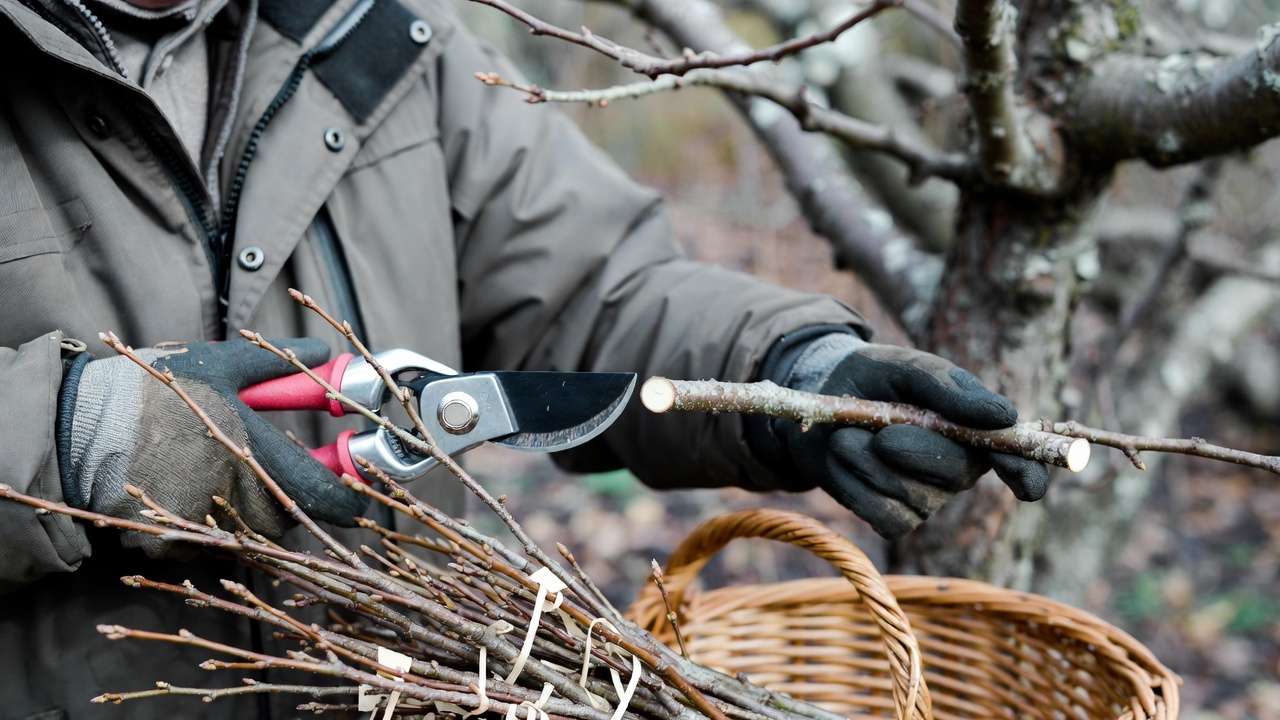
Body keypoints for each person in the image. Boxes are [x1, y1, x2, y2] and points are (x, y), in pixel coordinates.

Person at [0, 0, 1049, 716]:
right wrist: (81, 440)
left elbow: (593, 286)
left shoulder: (369, 32)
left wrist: (792, 373)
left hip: (387, 687)